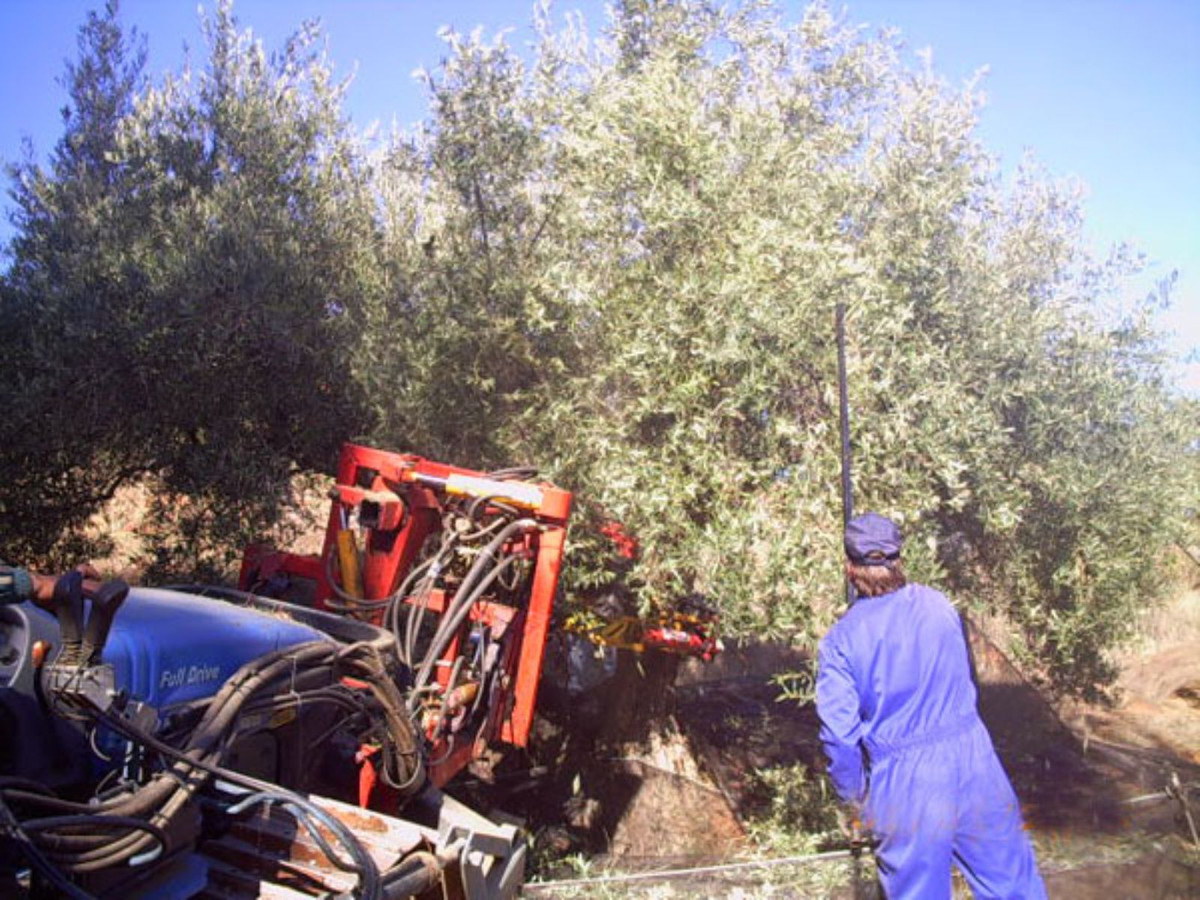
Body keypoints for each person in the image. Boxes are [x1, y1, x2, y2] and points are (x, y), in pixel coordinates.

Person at [816, 512, 1046, 899]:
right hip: (977, 763)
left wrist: (854, 798)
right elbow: (968, 680)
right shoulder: (940, 605)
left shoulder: (841, 641)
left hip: (906, 786)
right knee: (1014, 888)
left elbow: (839, 737)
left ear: (849, 567)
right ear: (898, 558)